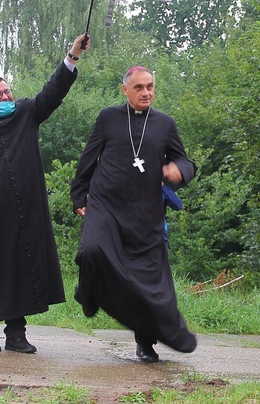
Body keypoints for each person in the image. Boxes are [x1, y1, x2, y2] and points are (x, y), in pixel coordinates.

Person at [0, 34, 90, 352]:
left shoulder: (26, 113)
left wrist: (72, 56)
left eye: (7, 91)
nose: (5, 96)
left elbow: (52, 93)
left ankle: (16, 333)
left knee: (20, 271)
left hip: (22, 215)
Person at [70, 66, 197, 363]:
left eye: (150, 87)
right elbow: (89, 156)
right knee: (90, 250)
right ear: (125, 90)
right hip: (105, 203)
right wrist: (79, 194)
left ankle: (146, 343)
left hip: (145, 211)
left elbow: (184, 159)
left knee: (144, 282)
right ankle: (89, 293)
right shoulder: (108, 118)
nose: (146, 93)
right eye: (139, 88)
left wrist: (181, 170)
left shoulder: (165, 124)